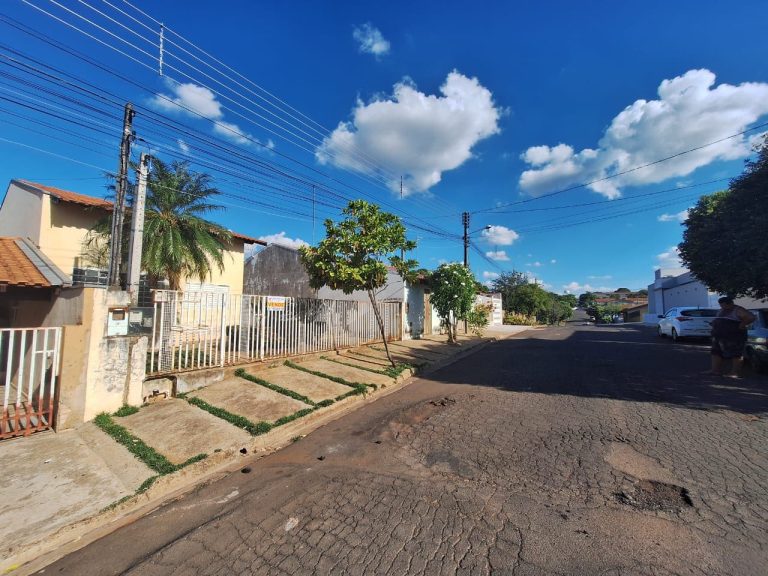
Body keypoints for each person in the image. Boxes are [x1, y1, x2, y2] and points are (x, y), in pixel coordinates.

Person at [709, 296, 756, 378]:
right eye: (721, 305)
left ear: (730, 303)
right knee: (716, 352)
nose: (722, 307)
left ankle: (734, 373)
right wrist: (714, 323)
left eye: (723, 305)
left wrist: (742, 324)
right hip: (719, 336)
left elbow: (751, 317)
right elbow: (718, 319)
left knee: (736, 354)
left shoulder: (738, 310)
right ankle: (715, 370)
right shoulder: (721, 310)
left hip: (734, 336)